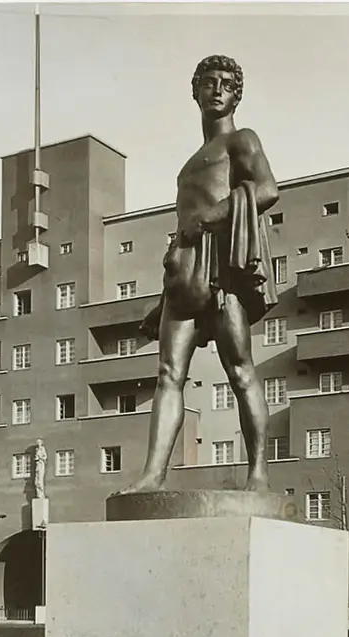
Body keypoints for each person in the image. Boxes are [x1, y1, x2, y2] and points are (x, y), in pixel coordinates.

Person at [118, 55, 279, 495]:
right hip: (184, 277)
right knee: (168, 373)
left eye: (226, 83)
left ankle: (258, 474)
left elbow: (267, 189)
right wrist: (160, 300)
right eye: (208, 82)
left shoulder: (241, 140)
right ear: (196, 92)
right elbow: (183, 233)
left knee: (241, 371)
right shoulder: (189, 164)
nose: (217, 89)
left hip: (223, 269)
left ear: (237, 94)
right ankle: (153, 475)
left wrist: (210, 217)